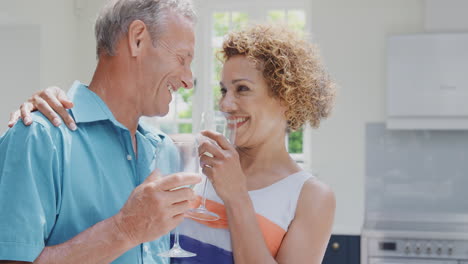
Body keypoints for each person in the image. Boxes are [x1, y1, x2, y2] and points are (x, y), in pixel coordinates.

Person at [10, 24, 337, 263]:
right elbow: (120, 131)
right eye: (224, 90)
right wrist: (55, 102)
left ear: (285, 98)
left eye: (242, 89)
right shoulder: (188, 156)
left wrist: (237, 197)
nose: (226, 105)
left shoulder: (310, 197)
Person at [0, 0, 202, 263]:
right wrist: (124, 229)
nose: (188, 80)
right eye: (182, 59)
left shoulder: (165, 151)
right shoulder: (39, 138)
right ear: (137, 39)